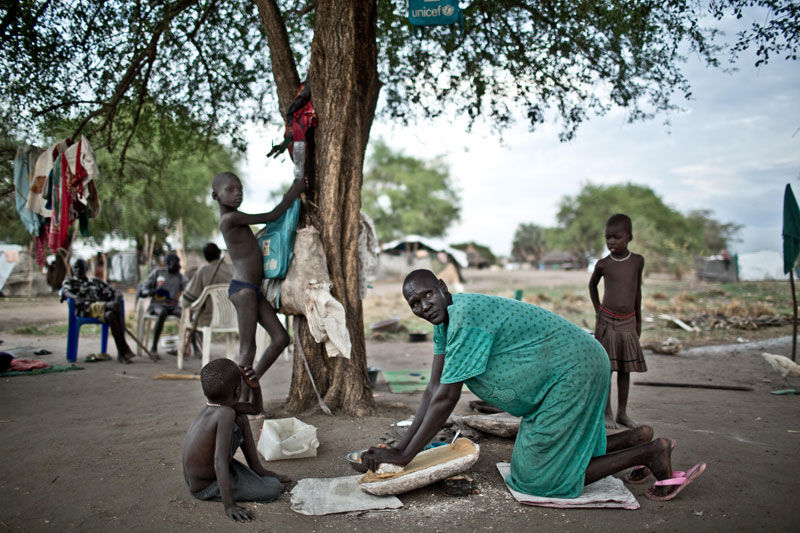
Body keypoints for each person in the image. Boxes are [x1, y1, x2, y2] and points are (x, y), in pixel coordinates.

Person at [361, 270, 705, 502]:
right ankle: (635, 438)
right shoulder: (445, 322)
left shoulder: (464, 315)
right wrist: (400, 448)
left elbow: (447, 397)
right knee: (554, 454)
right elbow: (433, 389)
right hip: (562, 376)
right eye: (415, 304)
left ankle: (651, 452)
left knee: (538, 479)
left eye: (427, 296)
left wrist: (405, 456)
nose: (424, 307)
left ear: (442, 287)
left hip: (575, 370)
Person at [212, 171, 305, 410]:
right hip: (243, 290)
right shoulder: (229, 220)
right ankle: (240, 402)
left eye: (239, 188)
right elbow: (271, 215)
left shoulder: (235, 218)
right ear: (216, 195)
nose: (237, 193)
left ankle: (248, 386)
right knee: (247, 349)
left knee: (281, 338)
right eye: (230, 189)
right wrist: (295, 190)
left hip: (252, 290)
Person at [182, 359, 287, 522]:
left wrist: (256, 387)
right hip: (206, 486)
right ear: (238, 390)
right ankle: (253, 479)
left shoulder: (216, 407)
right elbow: (219, 461)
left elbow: (255, 409)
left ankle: (258, 469)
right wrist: (229, 505)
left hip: (199, 476)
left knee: (242, 418)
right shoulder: (225, 414)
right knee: (274, 488)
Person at [588, 213, 646, 429]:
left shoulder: (637, 261)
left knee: (625, 369)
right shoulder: (603, 264)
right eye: (608, 237)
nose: (611, 241)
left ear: (629, 237)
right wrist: (598, 311)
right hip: (607, 322)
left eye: (617, 237)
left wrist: (639, 320)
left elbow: (637, 291)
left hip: (628, 321)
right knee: (608, 368)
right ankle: (607, 413)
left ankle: (622, 413)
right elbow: (592, 286)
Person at [60, 258, 135, 364]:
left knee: (111, 315)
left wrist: (118, 297)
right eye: (75, 267)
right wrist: (75, 297)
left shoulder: (94, 281)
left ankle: (121, 353)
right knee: (113, 307)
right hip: (86, 310)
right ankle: (124, 350)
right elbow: (65, 292)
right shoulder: (70, 281)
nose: (77, 270)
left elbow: (113, 291)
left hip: (103, 309)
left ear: (86, 268)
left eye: (80, 267)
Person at [180, 243, 233, 355]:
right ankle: (198, 349)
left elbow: (188, 298)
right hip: (232, 319)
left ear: (205, 257)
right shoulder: (232, 269)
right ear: (219, 253)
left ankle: (199, 349)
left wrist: (183, 303)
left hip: (209, 319)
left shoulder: (204, 270)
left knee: (192, 316)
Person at [267, 79, 316, 189]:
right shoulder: (295, 122)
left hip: (301, 131)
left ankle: (303, 181)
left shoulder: (298, 116)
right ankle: (302, 182)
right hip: (298, 133)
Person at [137, 253, 187, 358]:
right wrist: (150, 292)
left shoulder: (179, 276)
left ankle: (191, 346)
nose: (178, 265)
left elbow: (188, 288)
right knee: (162, 312)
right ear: (168, 263)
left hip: (173, 306)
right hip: (157, 305)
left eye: (178, 263)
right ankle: (153, 348)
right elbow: (144, 289)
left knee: (185, 315)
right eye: (175, 263)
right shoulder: (158, 273)